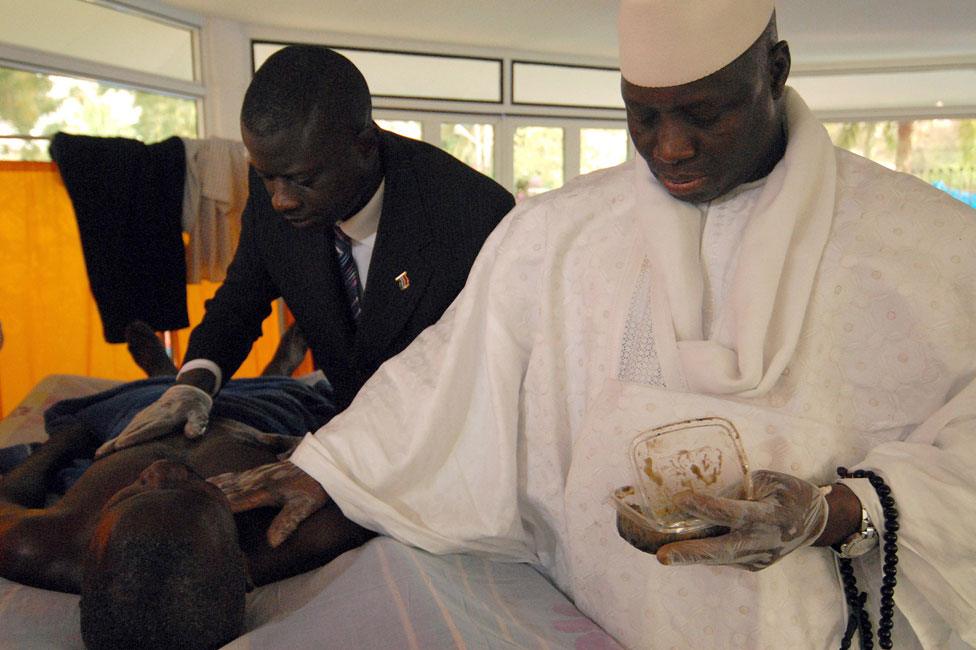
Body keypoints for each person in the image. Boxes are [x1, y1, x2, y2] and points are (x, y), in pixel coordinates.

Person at [180, 2, 976, 648]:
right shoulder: (558, 232)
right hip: (589, 619)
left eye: (702, 113)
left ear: (775, 71)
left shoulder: (931, 245)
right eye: (642, 116)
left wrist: (836, 511)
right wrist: (334, 461)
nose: (670, 148)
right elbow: (455, 369)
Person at [106, 44, 514, 454]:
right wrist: (192, 386)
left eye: (301, 179)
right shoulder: (276, 186)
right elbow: (240, 301)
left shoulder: (474, 217)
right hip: (345, 426)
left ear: (365, 145)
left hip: (448, 446)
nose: (281, 199)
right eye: (267, 177)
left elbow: (490, 381)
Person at [0, 334, 373, 649]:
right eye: (199, 490)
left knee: (133, 405)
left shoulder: (38, 546)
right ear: (242, 566)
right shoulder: (289, 536)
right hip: (259, 418)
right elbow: (384, 483)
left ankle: (166, 375)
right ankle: (276, 370)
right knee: (291, 397)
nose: (163, 471)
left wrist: (75, 436)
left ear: (89, 560)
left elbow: (14, 489)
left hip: (130, 419)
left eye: (135, 491)